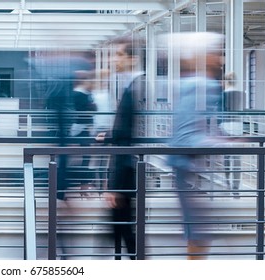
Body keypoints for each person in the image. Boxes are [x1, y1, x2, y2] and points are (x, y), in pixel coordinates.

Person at [163, 32, 233, 260]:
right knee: (198, 232)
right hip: (188, 165)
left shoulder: (193, 83)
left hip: (187, 165)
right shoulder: (202, 85)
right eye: (217, 54)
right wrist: (224, 144)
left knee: (197, 230)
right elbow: (187, 136)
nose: (220, 60)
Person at [96, 35, 148, 260]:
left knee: (122, 228)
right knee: (121, 229)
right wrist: (109, 135)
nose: (113, 60)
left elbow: (127, 138)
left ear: (133, 59)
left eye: (118, 55)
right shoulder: (132, 86)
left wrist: (114, 185)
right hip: (127, 169)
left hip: (126, 171)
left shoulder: (135, 88)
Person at [220, 72, 246, 197]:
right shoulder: (242, 95)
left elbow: (220, 112)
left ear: (225, 81)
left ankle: (227, 183)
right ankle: (236, 188)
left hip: (226, 127)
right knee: (237, 159)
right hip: (238, 127)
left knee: (226, 157)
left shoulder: (223, 95)